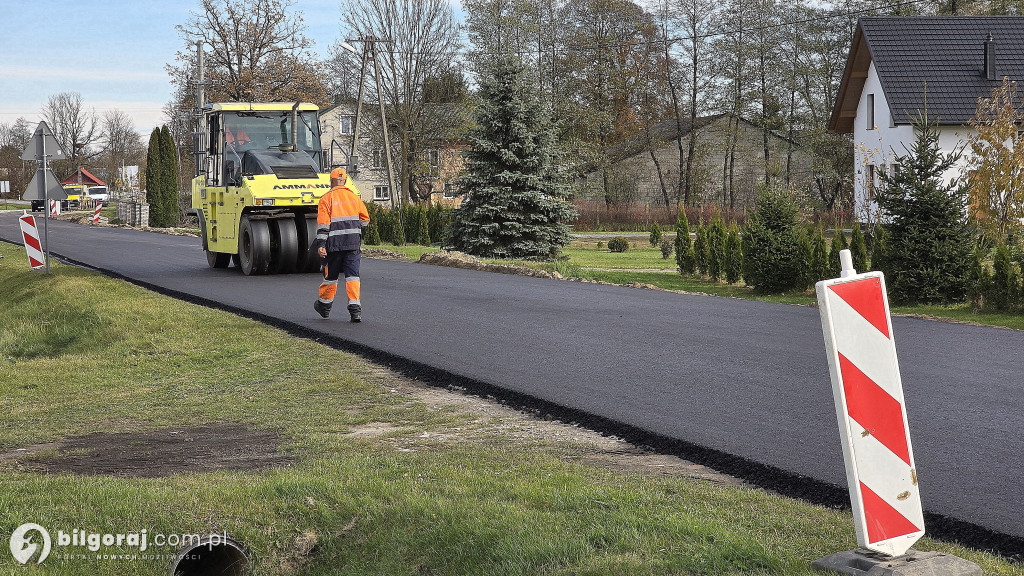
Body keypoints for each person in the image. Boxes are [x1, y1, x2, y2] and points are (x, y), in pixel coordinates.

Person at [313, 167, 370, 322]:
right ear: (344, 181)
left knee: (330, 277)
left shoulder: (326, 199)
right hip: (353, 245)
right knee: (353, 277)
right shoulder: (354, 197)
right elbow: (365, 220)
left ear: (331, 181)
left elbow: (324, 225)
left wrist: (321, 245)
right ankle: (355, 310)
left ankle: (324, 307)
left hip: (334, 245)